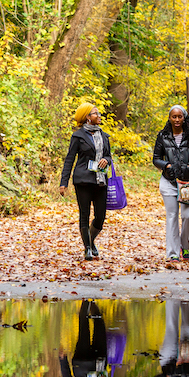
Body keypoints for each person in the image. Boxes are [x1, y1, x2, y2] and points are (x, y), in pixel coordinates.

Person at [59, 103, 113, 261]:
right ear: (87, 117)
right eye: (95, 113)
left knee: (100, 217)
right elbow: (69, 159)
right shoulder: (78, 136)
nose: (99, 116)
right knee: (84, 214)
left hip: (100, 180)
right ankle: (88, 248)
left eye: (98, 113)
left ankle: (90, 240)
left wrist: (106, 160)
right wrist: (64, 182)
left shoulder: (104, 136)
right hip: (83, 180)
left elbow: (109, 156)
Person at [152, 105, 189, 261]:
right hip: (169, 181)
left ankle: (184, 245)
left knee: (188, 216)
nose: (177, 120)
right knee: (172, 216)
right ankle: (173, 253)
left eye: (179, 117)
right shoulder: (162, 136)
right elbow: (156, 158)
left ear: (184, 118)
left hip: (187, 181)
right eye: (174, 117)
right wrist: (166, 166)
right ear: (169, 118)